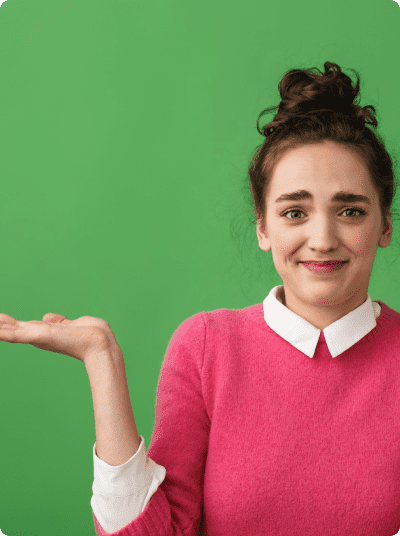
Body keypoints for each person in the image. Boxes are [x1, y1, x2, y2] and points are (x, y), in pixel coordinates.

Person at [1, 61, 400, 536]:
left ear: (385, 225)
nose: (322, 239)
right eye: (295, 212)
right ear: (262, 228)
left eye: (350, 211)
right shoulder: (208, 347)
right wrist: (100, 357)